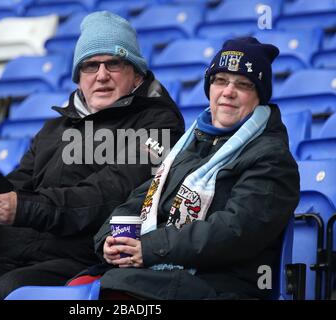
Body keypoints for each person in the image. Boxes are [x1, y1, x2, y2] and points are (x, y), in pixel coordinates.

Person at [0, 11, 184, 300]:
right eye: (90, 66)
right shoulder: (56, 127)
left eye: (114, 63)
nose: (101, 75)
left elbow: (109, 193)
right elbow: (19, 186)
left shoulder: (158, 124)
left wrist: (21, 208)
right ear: (78, 77)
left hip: (87, 257)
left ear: (136, 74)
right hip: (18, 254)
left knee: (10, 289)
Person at [90, 37, 300, 299]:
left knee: (111, 292)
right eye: (220, 81)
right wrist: (111, 240)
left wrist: (150, 248)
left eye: (243, 85)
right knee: (76, 287)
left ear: (259, 96)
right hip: (160, 277)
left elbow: (236, 231)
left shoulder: (272, 158)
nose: (228, 92)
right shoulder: (188, 147)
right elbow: (136, 202)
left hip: (221, 285)